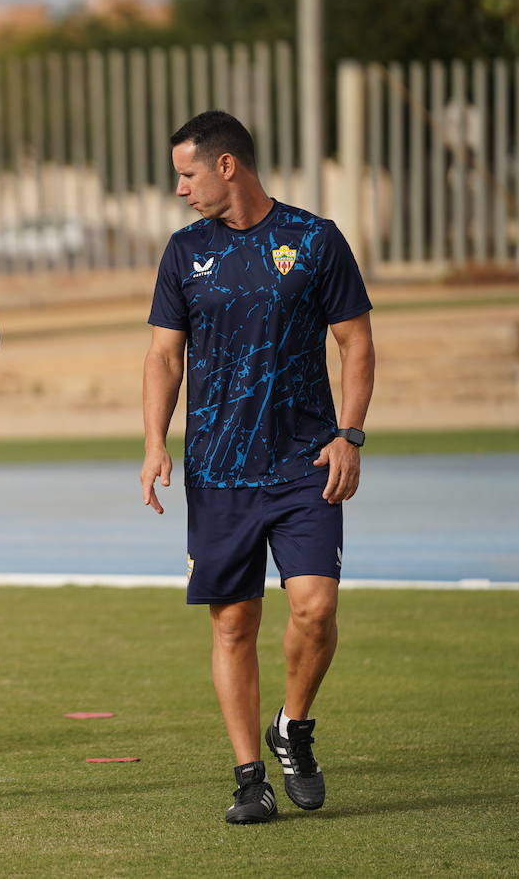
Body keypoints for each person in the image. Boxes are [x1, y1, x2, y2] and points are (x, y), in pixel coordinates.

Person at [140, 111, 375, 825]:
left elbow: (356, 344)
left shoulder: (314, 239)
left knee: (316, 607)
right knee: (234, 625)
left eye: (187, 173)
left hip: (307, 464)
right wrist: (155, 442)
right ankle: (249, 778)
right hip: (218, 469)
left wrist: (351, 435)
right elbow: (163, 356)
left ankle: (293, 728)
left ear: (226, 166)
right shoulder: (185, 252)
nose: (179, 187)